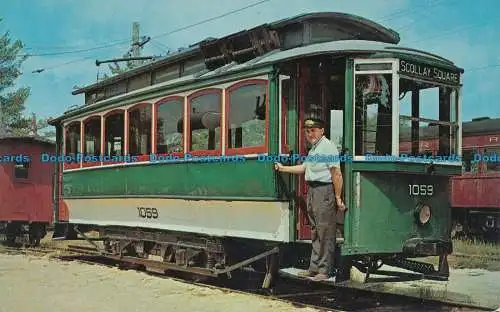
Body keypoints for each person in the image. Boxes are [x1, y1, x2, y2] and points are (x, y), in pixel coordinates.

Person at [274, 118, 345, 281]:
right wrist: (283, 168)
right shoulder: (315, 149)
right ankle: (314, 268)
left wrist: (338, 197)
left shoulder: (328, 147)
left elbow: (336, 174)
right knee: (315, 230)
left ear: (322, 130)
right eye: (307, 131)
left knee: (325, 232)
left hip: (324, 190)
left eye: (313, 130)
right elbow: (304, 168)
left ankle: (325, 271)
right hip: (313, 191)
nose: (309, 133)